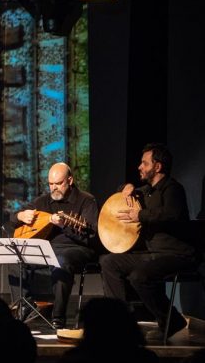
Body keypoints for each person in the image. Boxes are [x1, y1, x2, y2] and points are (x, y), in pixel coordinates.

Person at [100, 143, 197, 342]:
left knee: (140, 276)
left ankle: (171, 320)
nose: (140, 167)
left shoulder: (173, 189)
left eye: (144, 163)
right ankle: (121, 321)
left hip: (176, 254)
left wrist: (140, 215)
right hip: (152, 253)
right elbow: (126, 192)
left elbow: (171, 214)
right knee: (109, 262)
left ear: (158, 167)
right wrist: (126, 188)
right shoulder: (146, 191)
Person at [10, 162, 99, 329]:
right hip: (48, 249)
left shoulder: (86, 201)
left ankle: (58, 317)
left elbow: (91, 236)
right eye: (51, 184)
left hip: (77, 249)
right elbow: (13, 218)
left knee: (61, 260)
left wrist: (64, 225)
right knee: (15, 258)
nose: (54, 188)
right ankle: (26, 307)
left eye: (58, 183)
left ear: (70, 180)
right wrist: (20, 215)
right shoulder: (43, 201)